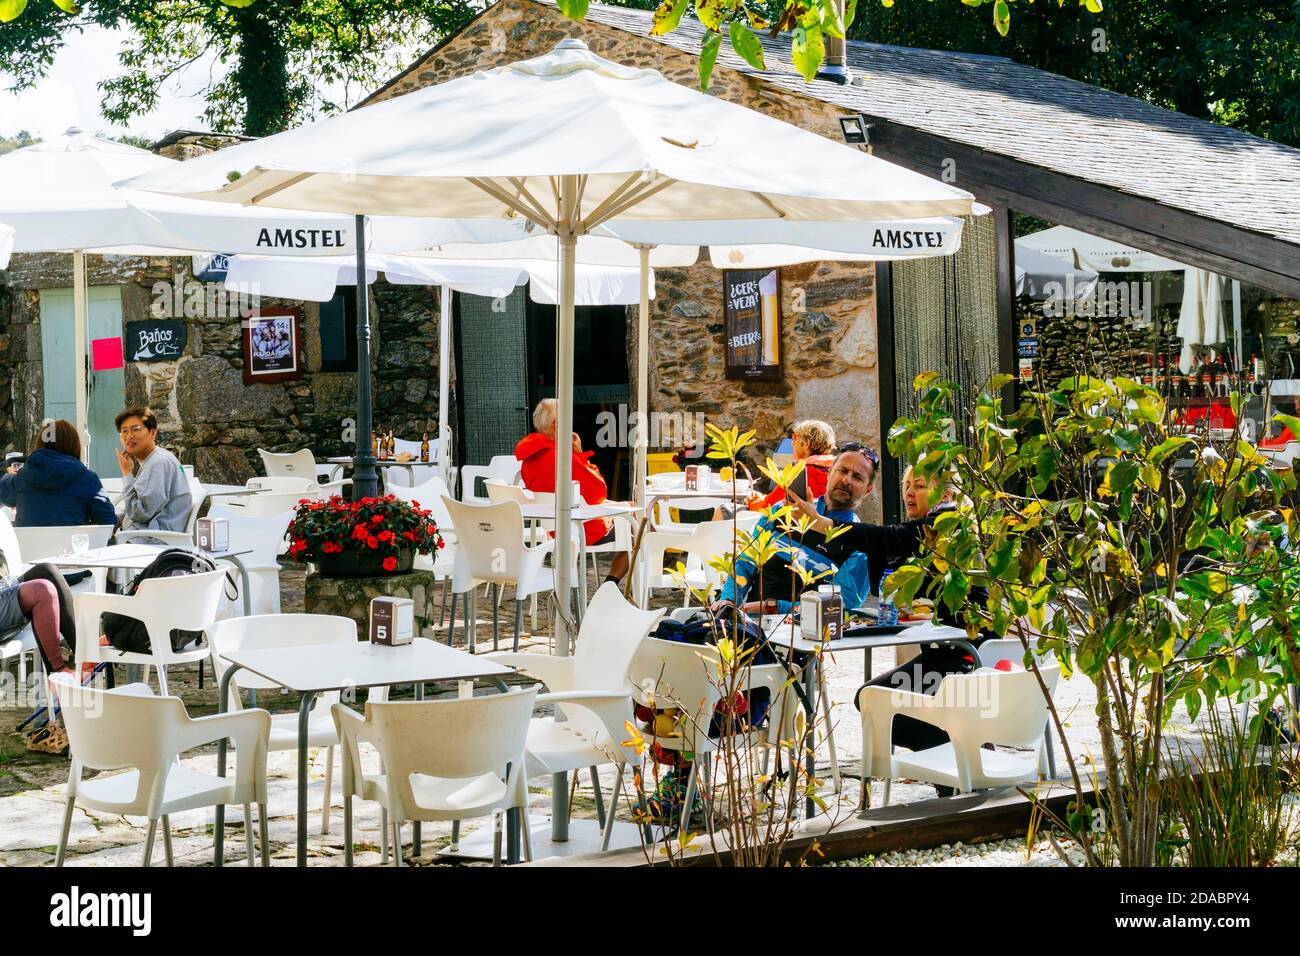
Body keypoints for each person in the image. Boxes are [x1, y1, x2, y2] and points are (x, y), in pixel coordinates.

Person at [791, 465, 991, 795]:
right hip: (948, 656)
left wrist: (825, 524)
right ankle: (962, 761)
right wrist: (818, 529)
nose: (909, 492)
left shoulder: (949, 525)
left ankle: (961, 761)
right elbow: (882, 548)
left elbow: (886, 538)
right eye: (907, 484)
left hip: (965, 660)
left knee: (873, 701)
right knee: (874, 701)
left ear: (946, 494)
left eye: (920, 485)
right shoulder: (924, 531)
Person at [713, 442, 879, 613]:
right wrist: (728, 599)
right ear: (829, 473)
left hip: (808, 632)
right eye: (842, 471)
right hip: (751, 623)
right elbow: (746, 561)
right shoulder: (783, 510)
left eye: (857, 477)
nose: (846, 480)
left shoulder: (859, 544)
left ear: (867, 490)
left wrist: (775, 607)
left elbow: (843, 606)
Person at [515, 398, 630, 584]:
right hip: (583, 529)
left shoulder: (529, 459)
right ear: (556, 424)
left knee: (632, 509)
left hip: (554, 528)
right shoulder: (562, 457)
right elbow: (599, 491)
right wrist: (580, 455)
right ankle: (610, 586)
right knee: (641, 526)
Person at [0, 419, 116, 528]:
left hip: (28, 549)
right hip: (74, 548)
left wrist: (8, 474)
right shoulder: (87, 479)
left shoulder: (23, 477)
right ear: (74, 445)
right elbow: (108, 522)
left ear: (41, 443)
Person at [115, 407, 191, 533]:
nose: (129, 436)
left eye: (136, 429)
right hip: (141, 535)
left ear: (153, 433)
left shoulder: (158, 463)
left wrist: (127, 474)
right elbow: (143, 505)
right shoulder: (153, 460)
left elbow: (140, 513)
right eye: (124, 431)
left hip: (150, 540)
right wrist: (118, 519)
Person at [746, 419, 837, 512]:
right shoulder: (837, 471)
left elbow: (768, 508)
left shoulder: (798, 474)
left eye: (795, 438)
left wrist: (752, 503)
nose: (792, 443)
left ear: (806, 444)